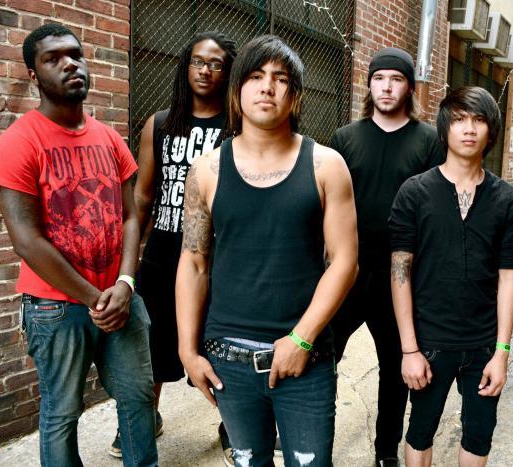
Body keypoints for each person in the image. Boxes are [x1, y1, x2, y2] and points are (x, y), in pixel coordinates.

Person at [176, 35, 358, 466]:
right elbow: (194, 262)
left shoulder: (325, 165)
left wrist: (301, 338)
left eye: (281, 78)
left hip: (306, 358)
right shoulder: (206, 170)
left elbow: (344, 262)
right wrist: (187, 350)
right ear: (237, 89)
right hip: (228, 359)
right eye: (256, 76)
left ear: (295, 95)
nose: (267, 87)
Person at [0, 24, 157, 467]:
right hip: (56, 307)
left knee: (138, 398)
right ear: (33, 74)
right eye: (53, 58)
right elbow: (27, 241)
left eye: (75, 55)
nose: (69, 64)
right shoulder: (18, 143)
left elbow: (131, 214)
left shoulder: (109, 138)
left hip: (120, 297)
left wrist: (125, 283)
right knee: (62, 414)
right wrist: (96, 298)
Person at [108, 31, 237, 462]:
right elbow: (144, 196)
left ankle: (234, 424)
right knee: (150, 344)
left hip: (218, 254)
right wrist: (129, 264)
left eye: (216, 64)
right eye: (198, 61)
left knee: (221, 344)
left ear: (228, 72)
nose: (206, 70)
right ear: (186, 66)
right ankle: (148, 417)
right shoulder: (161, 123)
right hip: (164, 251)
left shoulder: (236, 127)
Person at [389, 86, 513, 467]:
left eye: (479, 120)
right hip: (430, 341)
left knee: (479, 437)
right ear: (445, 127)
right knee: (420, 430)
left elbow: (508, 278)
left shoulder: (507, 201)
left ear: (491, 130)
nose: (469, 128)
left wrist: (502, 352)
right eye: (460, 119)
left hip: (483, 343)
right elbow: (400, 273)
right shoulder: (414, 193)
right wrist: (409, 350)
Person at [329, 47, 445, 467]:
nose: (386, 87)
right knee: (322, 359)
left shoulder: (428, 140)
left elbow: (435, 210)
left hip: (399, 276)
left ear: (409, 88)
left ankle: (385, 453)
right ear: (369, 84)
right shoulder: (345, 138)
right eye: (379, 78)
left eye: (396, 79)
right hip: (347, 271)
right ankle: (315, 442)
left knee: (395, 369)